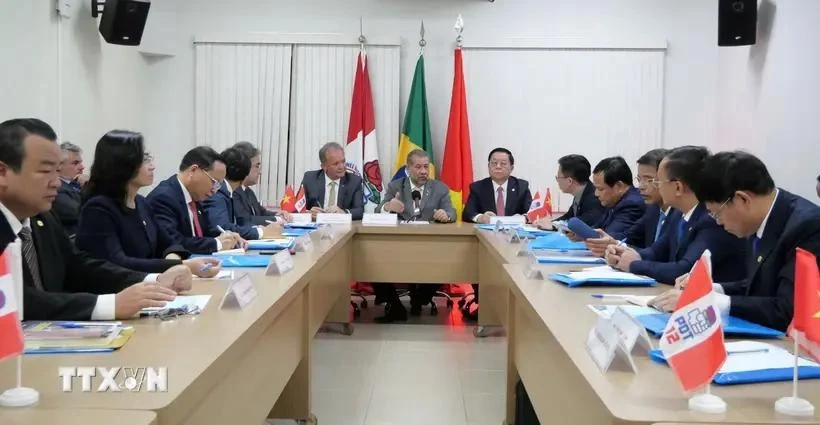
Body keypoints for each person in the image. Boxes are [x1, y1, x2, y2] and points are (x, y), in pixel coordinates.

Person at [0, 118, 191, 320]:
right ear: (3, 172)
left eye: (57, 171)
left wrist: (153, 280)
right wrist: (108, 305)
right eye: (46, 171)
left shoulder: (42, 218)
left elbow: (78, 267)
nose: (56, 183)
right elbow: (18, 300)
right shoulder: (98, 207)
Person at [651, 151, 820, 331]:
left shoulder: (807, 227)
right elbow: (758, 285)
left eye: (717, 214)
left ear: (742, 199)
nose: (718, 222)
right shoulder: (760, 218)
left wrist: (708, 302)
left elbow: (786, 310)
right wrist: (710, 289)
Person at [76, 130, 221, 277]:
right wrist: (180, 265)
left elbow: (169, 243)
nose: (152, 166)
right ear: (123, 163)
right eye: (145, 159)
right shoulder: (98, 209)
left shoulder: (141, 203)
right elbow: (118, 263)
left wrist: (172, 260)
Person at [604, 146, 746, 284]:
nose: (657, 187)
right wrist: (623, 254)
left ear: (678, 187)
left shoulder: (711, 218)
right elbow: (656, 251)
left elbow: (684, 269)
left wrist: (633, 265)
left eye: (658, 181)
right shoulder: (678, 213)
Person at [373, 149, 456, 322]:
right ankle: (395, 306)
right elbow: (378, 209)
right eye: (418, 167)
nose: (423, 171)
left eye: (426, 167)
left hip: (431, 246)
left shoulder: (440, 188)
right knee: (372, 259)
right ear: (408, 168)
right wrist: (388, 206)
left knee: (449, 260)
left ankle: (421, 298)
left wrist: (445, 215)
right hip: (399, 246)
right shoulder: (396, 186)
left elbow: (451, 212)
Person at [462, 147, 532, 319]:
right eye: (494, 163)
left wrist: (521, 217)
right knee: (479, 267)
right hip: (487, 240)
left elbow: (530, 212)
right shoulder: (478, 187)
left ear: (511, 167)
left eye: (503, 163)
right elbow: (468, 213)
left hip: (514, 240)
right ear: (488, 166)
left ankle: (512, 307)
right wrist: (481, 217)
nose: (498, 167)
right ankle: (484, 304)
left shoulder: (521, 186)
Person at [147, 146, 244, 254]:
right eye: (214, 182)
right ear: (193, 170)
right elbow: (173, 242)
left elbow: (207, 231)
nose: (214, 191)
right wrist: (217, 243)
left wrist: (228, 236)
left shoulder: (195, 196)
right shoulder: (164, 197)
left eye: (219, 186)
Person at [585, 148, 672, 256]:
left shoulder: (678, 214)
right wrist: (611, 242)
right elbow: (628, 236)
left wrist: (627, 256)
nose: (641, 186)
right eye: (639, 179)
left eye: (650, 180)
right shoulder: (653, 209)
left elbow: (661, 256)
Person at [203, 146, 282, 239]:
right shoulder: (218, 193)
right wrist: (261, 232)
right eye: (257, 166)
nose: (260, 172)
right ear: (246, 173)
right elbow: (223, 227)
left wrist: (256, 228)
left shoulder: (230, 191)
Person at [574, 156, 644, 241]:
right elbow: (597, 228)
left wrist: (587, 236)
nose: (596, 194)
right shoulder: (614, 201)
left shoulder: (631, 204)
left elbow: (609, 238)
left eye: (600, 189)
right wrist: (581, 234)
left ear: (619, 186)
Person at [298, 142, 364, 220]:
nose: (341, 166)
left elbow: (359, 211)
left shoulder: (354, 181)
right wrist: (308, 213)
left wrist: (343, 212)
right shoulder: (310, 179)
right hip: (316, 227)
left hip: (342, 227)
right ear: (324, 166)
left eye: (343, 161)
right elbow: (297, 207)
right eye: (336, 164)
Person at [231, 141, 288, 224]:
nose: (260, 172)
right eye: (257, 166)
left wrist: (278, 214)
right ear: (243, 166)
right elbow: (244, 220)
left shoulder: (248, 191)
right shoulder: (234, 191)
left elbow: (261, 212)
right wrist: (276, 220)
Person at [540, 154, 604, 228]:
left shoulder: (594, 197)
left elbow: (583, 222)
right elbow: (568, 216)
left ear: (569, 181)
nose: (557, 181)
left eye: (558, 178)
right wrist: (551, 223)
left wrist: (553, 226)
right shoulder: (581, 193)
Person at [52, 141, 87, 236]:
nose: (82, 167)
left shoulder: (78, 183)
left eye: (81, 162)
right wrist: (89, 186)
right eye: (75, 163)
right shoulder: (56, 189)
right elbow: (83, 214)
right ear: (59, 166)